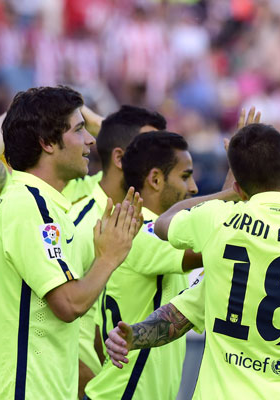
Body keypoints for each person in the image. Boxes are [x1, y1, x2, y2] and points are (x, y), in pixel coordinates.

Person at [106, 123, 280, 399]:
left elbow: (166, 223)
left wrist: (136, 336)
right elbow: (186, 311)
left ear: (239, 188)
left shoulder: (221, 224)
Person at [0, 86, 142, 399]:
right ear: (47, 142)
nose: (91, 139)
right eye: (79, 130)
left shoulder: (53, 207)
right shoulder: (28, 203)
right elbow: (68, 304)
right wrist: (109, 257)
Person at [83, 131, 204, 399]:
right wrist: (234, 193)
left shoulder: (136, 228)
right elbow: (216, 244)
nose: (194, 187)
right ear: (155, 179)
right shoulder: (140, 230)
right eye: (185, 176)